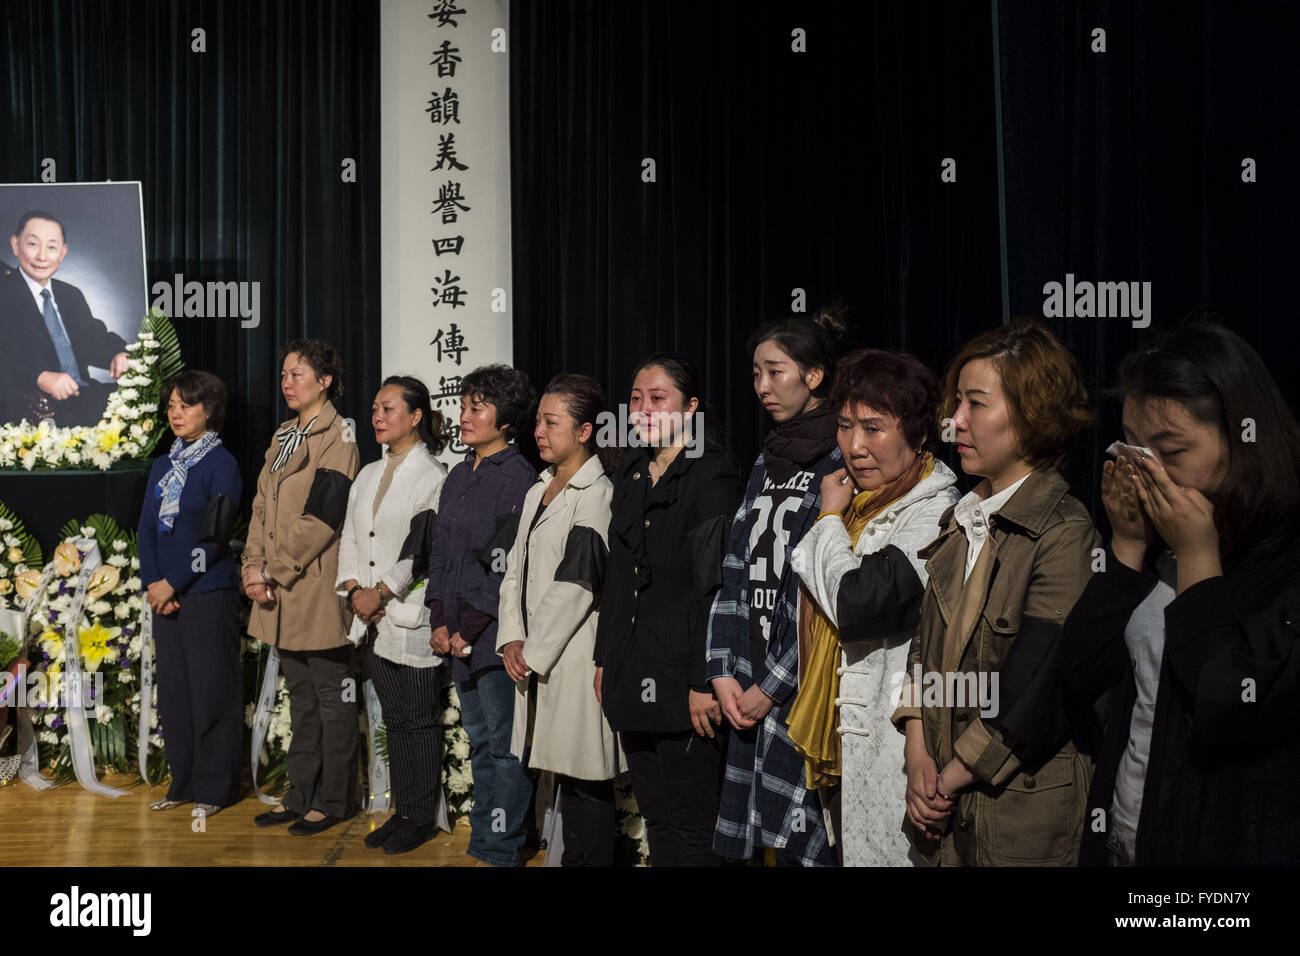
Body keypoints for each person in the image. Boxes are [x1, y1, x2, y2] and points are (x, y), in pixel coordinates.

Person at [1062, 319, 1300, 866]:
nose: (1148, 473)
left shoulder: (1282, 564)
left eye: (1170, 452)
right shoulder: (1158, 544)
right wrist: (1125, 545)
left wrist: (1198, 558)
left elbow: (1231, 700)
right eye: (1133, 449)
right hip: (1123, 839)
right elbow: (1079, 676)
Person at [889, 320, 1100, 866]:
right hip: (942, 811)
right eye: (956, 402)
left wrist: (948, 779)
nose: (953, 421)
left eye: (975, 404)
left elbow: (1037, 686)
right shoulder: (957, 520)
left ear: (1032, 416)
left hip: (1015, 818)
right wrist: (916, 751)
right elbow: (923, 648)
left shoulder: (1064, 534)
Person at [788, 348, 960, 866]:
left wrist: (828, 521)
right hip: (843, 748)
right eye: (844, 427)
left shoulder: (936, 511)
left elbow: (856, 602)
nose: (854, 447)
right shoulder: (861, 504)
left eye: (873, 428)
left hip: (899, 750)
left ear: (920, 432)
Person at [705, 311, 847, 867]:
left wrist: (772, 684)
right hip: (746, 674)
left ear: (813, 376)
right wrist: (720, 670)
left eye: (775, 371)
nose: (762, 386)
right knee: (762, 841)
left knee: (805, 843)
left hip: (801, 684)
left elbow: (825, 592)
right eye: (756, 374)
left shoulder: (842, 457)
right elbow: (736, 563)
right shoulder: (767, 457)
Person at [595, 353, 742, 866]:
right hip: (632, 664)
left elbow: (716, 587)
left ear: (691, 407)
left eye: (658, 398)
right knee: (655, 812)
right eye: (636, 398)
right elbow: (617, 575)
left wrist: (705, 681)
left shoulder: (711, 471)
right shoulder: (632, 470)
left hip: (685, 674)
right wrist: (604, 657)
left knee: (694, 820)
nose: (643, 408)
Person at [496, 374, 625, 866]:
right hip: (535, 652)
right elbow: (513, 572)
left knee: (586, 781)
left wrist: (531, 650)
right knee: (562, 776)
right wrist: (511, 637)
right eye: (538, 422)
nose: (540, 431)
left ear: (585, 430)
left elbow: (578, 584)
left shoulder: (597, 493)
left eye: (552, 422)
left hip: (572, 655)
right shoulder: (538, 490)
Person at [243, 339, 360, 835]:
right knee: (301, 698)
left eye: (298, 374)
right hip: (277, 587)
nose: (288, 383)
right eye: (285, 374)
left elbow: (323, 517)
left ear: (326, 380)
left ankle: (335, 801)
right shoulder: (284, 433)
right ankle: (299, 794)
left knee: (333, 702)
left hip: (312, 586)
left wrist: (274, 568)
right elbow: (260, 508)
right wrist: (252, 566)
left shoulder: (341, 435)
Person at [423, 364, 538, 866]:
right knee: (478, 739)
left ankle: (502, 845)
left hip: (493, 638)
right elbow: (440, 558)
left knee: (503, 745)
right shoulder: (456, 474)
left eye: (478, 407)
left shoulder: (518, 478)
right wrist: (438, 622)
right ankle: (488, 839)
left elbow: (506, 567)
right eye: (464, 404)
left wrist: (466, 628)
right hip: (455, 636)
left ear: (506, 418)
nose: (465, 415)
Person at [337, 376, 450, 854]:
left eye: (387, 408)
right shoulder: (366, 473)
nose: (377, 417)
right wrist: (352, 588)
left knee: (418, 720)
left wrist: (380, 592)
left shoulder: (433, 475)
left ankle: (420, 817)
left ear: (416, 416)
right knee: (394, 721)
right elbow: (350, 537)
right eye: (375, 409)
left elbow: (421, 550)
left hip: (408, 617)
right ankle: (404, 810)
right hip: (371, 620)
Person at [137, 371, 243, 816]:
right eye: (172, 406)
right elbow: (145, 530)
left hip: (206, 594)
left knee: (210, 690)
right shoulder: (163, 466)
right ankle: (182, 781)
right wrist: (154, 584)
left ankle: (215, 789)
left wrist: (173, 583)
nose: (176, 413)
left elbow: (215, 539)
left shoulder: (223, 465)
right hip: (165, 597)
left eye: (186, 405)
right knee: (177, 693)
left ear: (209, 411)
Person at [0, 211, 129, 426]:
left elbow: (94, 339)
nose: (42, 256)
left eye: (51, 247)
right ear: (15, 245)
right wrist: (39, 377)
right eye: (33, 244)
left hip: (82, 395)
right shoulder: (4, 292)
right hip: (31, 404)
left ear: (63, 252)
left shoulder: (70, 294)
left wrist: (118, 352)